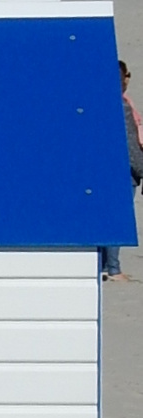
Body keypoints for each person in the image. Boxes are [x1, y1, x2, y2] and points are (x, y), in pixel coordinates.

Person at [102, 59, 143, 281]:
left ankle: (105, 266)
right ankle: (113, 268)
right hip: (124, 172)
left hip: (107, 170)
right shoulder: (122, 106)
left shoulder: (102, 104)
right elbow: (130, 143)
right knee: (117, 217)